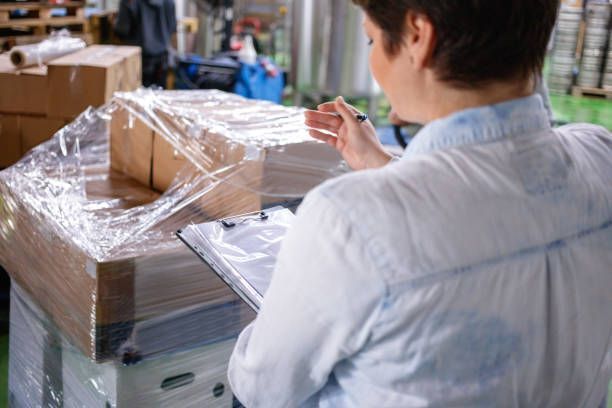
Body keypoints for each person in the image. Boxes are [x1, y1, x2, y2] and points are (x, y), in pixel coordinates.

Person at [228, 0, 612, 406]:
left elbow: (262, 385)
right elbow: (491, 201)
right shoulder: (600, 157)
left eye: (371, 39)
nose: (373, 59)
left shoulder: (348, 219)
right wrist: (379, 166)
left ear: (417, 36)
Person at [114, 0, 177, 88]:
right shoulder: (169, 2)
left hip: (137, 62)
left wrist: (114, 22)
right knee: (158, 97)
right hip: (162, 59)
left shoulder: (129, 1)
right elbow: (172, 28)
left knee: (137, 98)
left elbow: (122, 30)